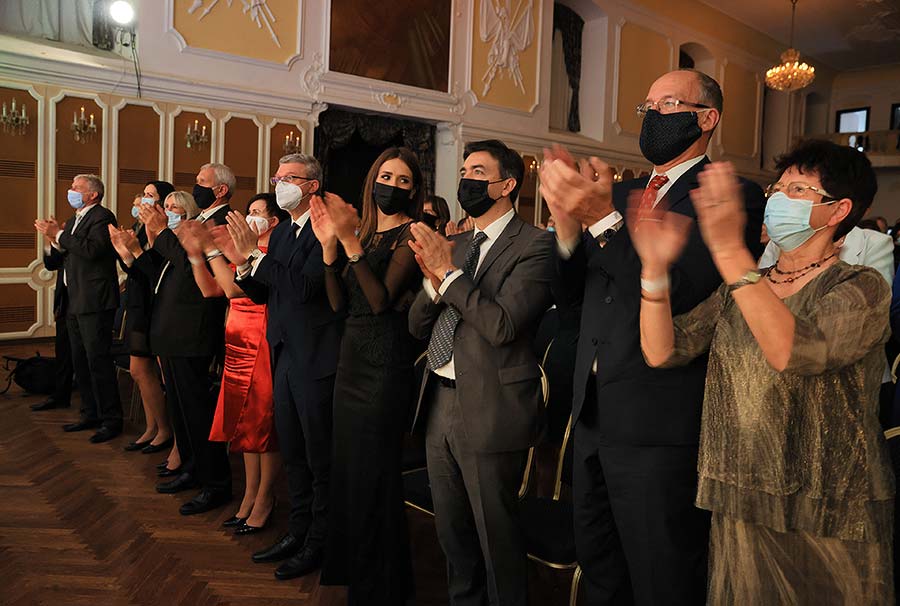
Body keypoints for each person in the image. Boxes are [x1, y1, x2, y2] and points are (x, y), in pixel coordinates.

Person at [630, 140, 894, 603]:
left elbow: (796, 352)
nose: (778, 198)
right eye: (779, 186)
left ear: (838, 210)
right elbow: (662, 351)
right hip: (741, 491)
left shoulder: (861, 287)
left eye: (798, 188)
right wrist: (653, 269)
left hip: (829, 503)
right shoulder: (743, 288)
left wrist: (732, 251)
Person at [539, 69, 765, 604]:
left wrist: (601, 221)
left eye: (667, 104)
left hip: (658, 420)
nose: (652, 117)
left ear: (706, 118)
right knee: (599, 568)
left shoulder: (729, 194)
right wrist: (568, 230)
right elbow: (572, 295)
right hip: (593, 410)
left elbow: (682, 290)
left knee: (662, 575)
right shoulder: (620, 192)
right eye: (647, 107)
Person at [408, 139, 554, 605]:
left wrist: (448, 276)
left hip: (492, 403)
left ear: (506, 184)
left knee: (496, 534)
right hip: (439, 398)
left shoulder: (535, 244)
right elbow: (416, 325)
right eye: (465, 170)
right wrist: (435, 282)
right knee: (451, 530)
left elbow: (502, 325)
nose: (466, 179)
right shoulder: (455, 243)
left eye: (478, 172)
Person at [217, 153, 342, 581]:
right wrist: (244, 261)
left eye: (288, 178)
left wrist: (257, 255)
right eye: (276, 177)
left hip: (317, 357)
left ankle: (319, 542)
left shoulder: (327, 232)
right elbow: (264, 291)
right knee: (293, 453)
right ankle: (298, 530)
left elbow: (307, 287)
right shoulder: (286, 230)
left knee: (317, 457)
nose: (279, 183)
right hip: (284, 353)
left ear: (311, 186)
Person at [313, 147, 423, 604]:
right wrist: (328, 249)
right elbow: (340, 304)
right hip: (351, 360)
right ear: (373, 178)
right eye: (386, 176)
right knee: (349, 473)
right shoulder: (365, 235)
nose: (391, 186)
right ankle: (356, 571)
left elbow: (380, 303)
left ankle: (383, 585)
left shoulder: (413, 236)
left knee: (375, 475)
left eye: (402, 180)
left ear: (413, 189)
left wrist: (351, 246)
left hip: (385, 366)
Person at [112, 181, 232, 516]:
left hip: (192, 338)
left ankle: (216, 484)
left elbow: (191, 270)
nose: (169, 216)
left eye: (175, 212)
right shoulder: (174, 243)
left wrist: (162, 230)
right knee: (181, 412)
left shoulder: (199, 240)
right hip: (171, 336)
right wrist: (132, 249)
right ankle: (192, 469)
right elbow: (153, 274)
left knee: (197, 413)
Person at [177, 193, 287, 534]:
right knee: (243, 424)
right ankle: (249, 494)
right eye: (248, 211)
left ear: (273, 222)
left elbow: (232, 288)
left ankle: (264, 497)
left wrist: (210, 249)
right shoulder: (244, 253)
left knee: (262, 426)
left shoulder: (271, 254)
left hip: (262, 341)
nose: (248, 217)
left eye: (256, 213)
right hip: (237, 341)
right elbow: (210, 289)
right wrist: (196, 255)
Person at [35, 174, 123, 443]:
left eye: (76, 188)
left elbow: (92, 250)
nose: (71, 191)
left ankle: (111, 419)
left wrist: (59, 234)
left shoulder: (103, 217)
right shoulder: (75, 220)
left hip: (95, 300)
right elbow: (56, 263)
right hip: (74, 299)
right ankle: (89, 413)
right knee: (80, 361)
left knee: (98, 361)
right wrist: (53, 241)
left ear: (93, 195)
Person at [120, 180, 175, 455]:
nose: (143, 199)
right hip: (138, 302)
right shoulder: (143, 227)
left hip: (155, 306)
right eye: (143, 193)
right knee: (138, 372)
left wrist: (137, 251)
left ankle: (164, 429)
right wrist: (125, 252)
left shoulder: (167, 231)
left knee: (144, 370)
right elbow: (138, 270)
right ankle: (152, 427)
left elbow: (155, 270)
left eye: (151, 195)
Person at [32, 241, 73, 412]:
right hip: (65, 302)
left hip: (87, 301)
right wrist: (52, 242)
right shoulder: (68, 236)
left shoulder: (87, 238)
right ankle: (60, 396)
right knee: (62, 352)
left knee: (84, 357)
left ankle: (92, 407)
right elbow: (51, 264)